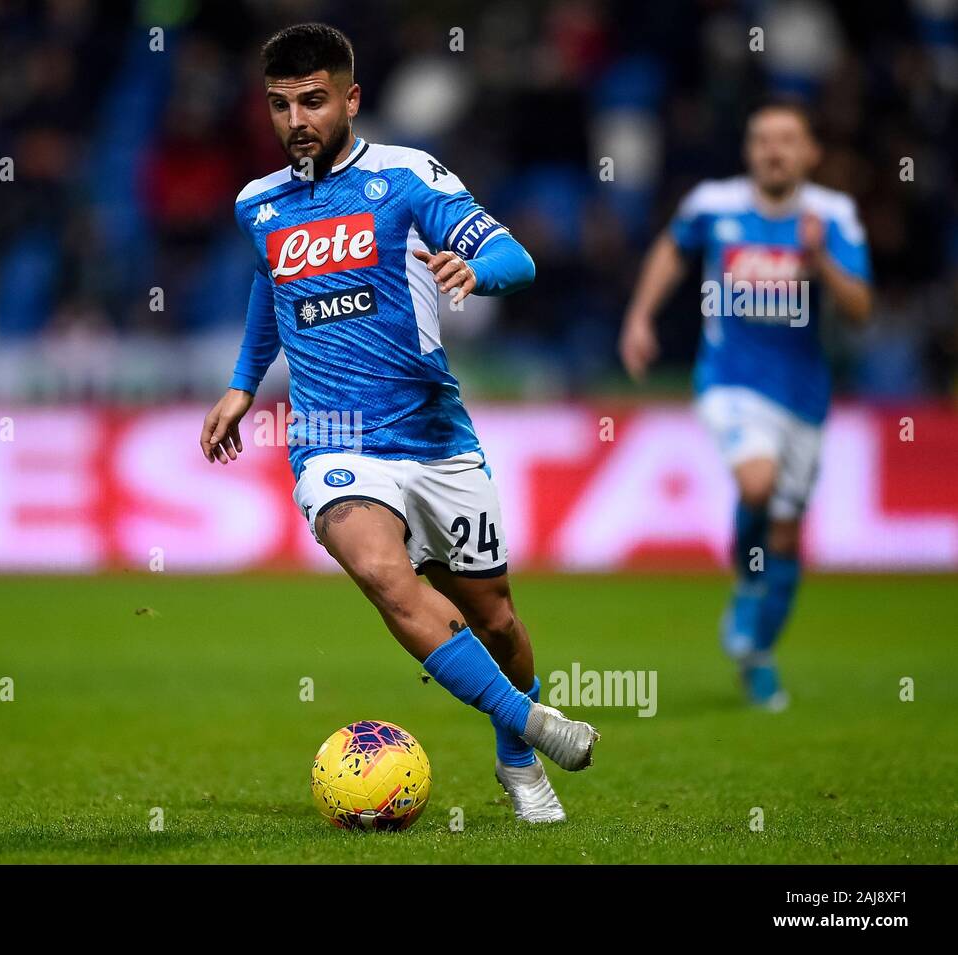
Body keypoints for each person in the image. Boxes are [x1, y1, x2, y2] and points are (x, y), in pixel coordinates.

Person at [199, 22, 598, 823]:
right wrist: (243, 384)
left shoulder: (406, 176)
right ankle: (535, 722)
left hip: (433, 435)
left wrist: (474, 270)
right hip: (332, 443)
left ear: (350, 98)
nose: (296, 121)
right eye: (279, 106)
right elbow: (267, 284)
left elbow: (517, 258)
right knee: (385, 576)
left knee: (498, 622)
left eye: (313, 101)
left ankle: (516, 757)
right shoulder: (259, 203)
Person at [619, 100, 873, 709]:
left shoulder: (832, 216)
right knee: (756, 484)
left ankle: (757, 654)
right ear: (749, 151)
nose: (774, 150)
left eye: (787, 139)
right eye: (762, 140)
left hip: (805, 396)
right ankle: (744, 584)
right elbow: (671, 251)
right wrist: (640, 317)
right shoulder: (714, 204)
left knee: (787, 535)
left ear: (811, 152)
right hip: (729, 380)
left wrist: (819, 264)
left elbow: (861, 311)